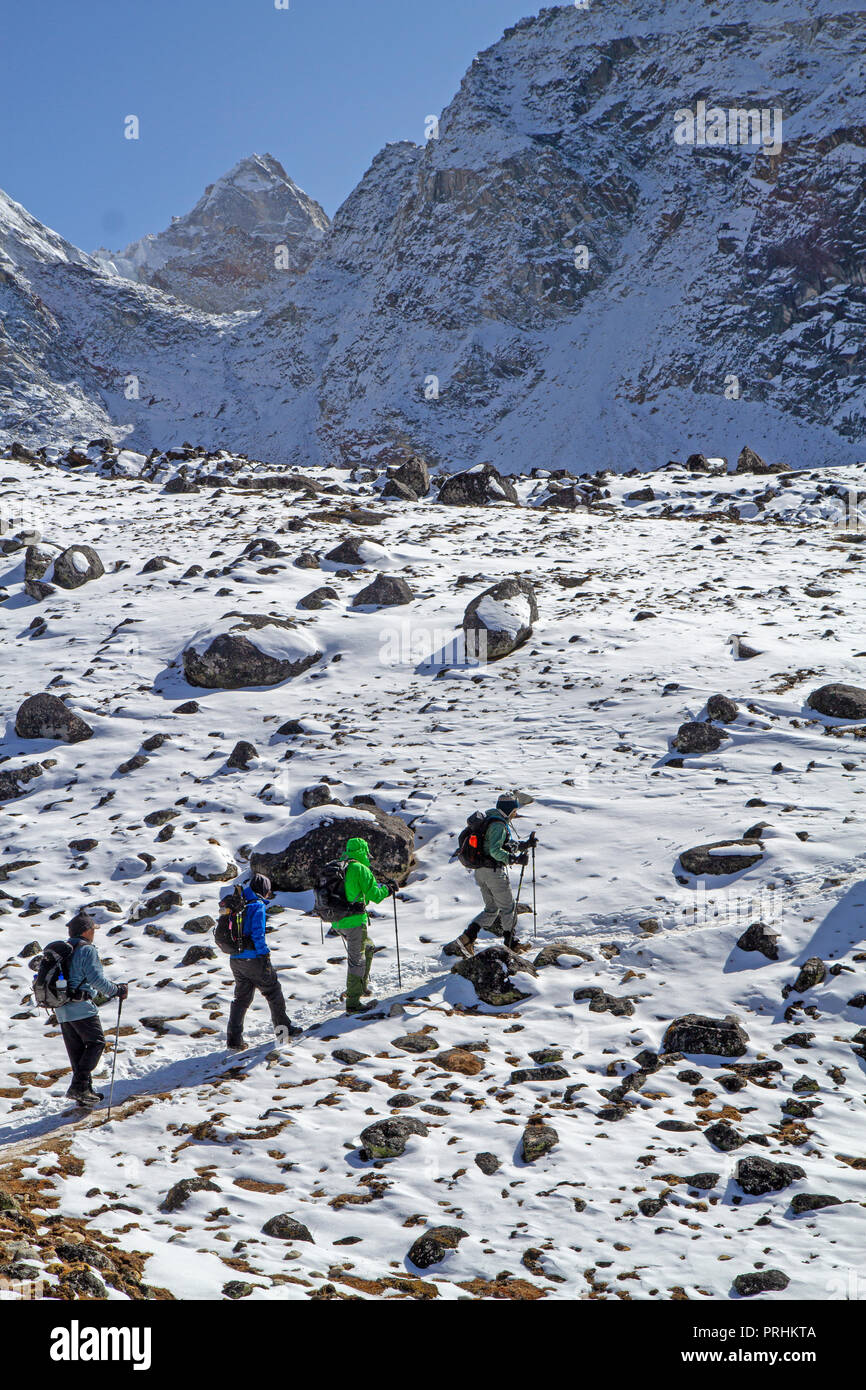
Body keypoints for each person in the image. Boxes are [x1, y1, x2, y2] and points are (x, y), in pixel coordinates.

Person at [55, 909, 128, 1109]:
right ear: (87, 931)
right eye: (93, 929)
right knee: (96, 1043)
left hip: (61, 1008)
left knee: (77, 1051)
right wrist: (116, 990)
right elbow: (96, 979)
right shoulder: (86, 949)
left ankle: (84, 1092)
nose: (95, 932)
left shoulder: (64, 950)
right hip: (81, 1007)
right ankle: (79, 1087)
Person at [225, 873, 301, 1050]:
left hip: (235, 958)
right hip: (253, 958)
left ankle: (234, 1041)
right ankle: (283, 1033)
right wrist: (264, 954)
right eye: (268, 890)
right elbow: (258, 933)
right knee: (273, 991)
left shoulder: (239, 904)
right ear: (264, 890)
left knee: (241, 999)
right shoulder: (257, 906)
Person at [454, 794, 533, 957]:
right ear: (509, 809)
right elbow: (495, 850)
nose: (515, 814)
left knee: (491, 909)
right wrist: (515, 859)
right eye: (514, 810)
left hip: (481, 872)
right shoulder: (498, 825)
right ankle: (512, 943)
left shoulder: (490, 820)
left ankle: (468, 937)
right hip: (494, 873)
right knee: (508, 907)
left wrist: (524, 845)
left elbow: (497, 845)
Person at [333, 838, 394, 1014]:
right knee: (356, 960)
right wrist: (388, 889)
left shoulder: (340, 866)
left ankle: (361, 987)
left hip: (337, 920)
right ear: (364, 851)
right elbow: (375, 895)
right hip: (354, 921)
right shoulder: (360, 869)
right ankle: (353, 1002)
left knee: (368, 947)